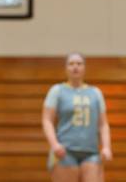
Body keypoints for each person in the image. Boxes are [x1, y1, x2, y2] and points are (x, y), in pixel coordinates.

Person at [41, 53, 112, 182]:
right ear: (66, 68)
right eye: (71, 64)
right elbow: (47, 120)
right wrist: (54, 144)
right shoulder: (57, 90)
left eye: (79, 64)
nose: (75, 67)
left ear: (84, 68)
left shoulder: (95, 93)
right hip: (65, 151)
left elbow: (103, 124)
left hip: (91, 151)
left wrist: (106, 146)